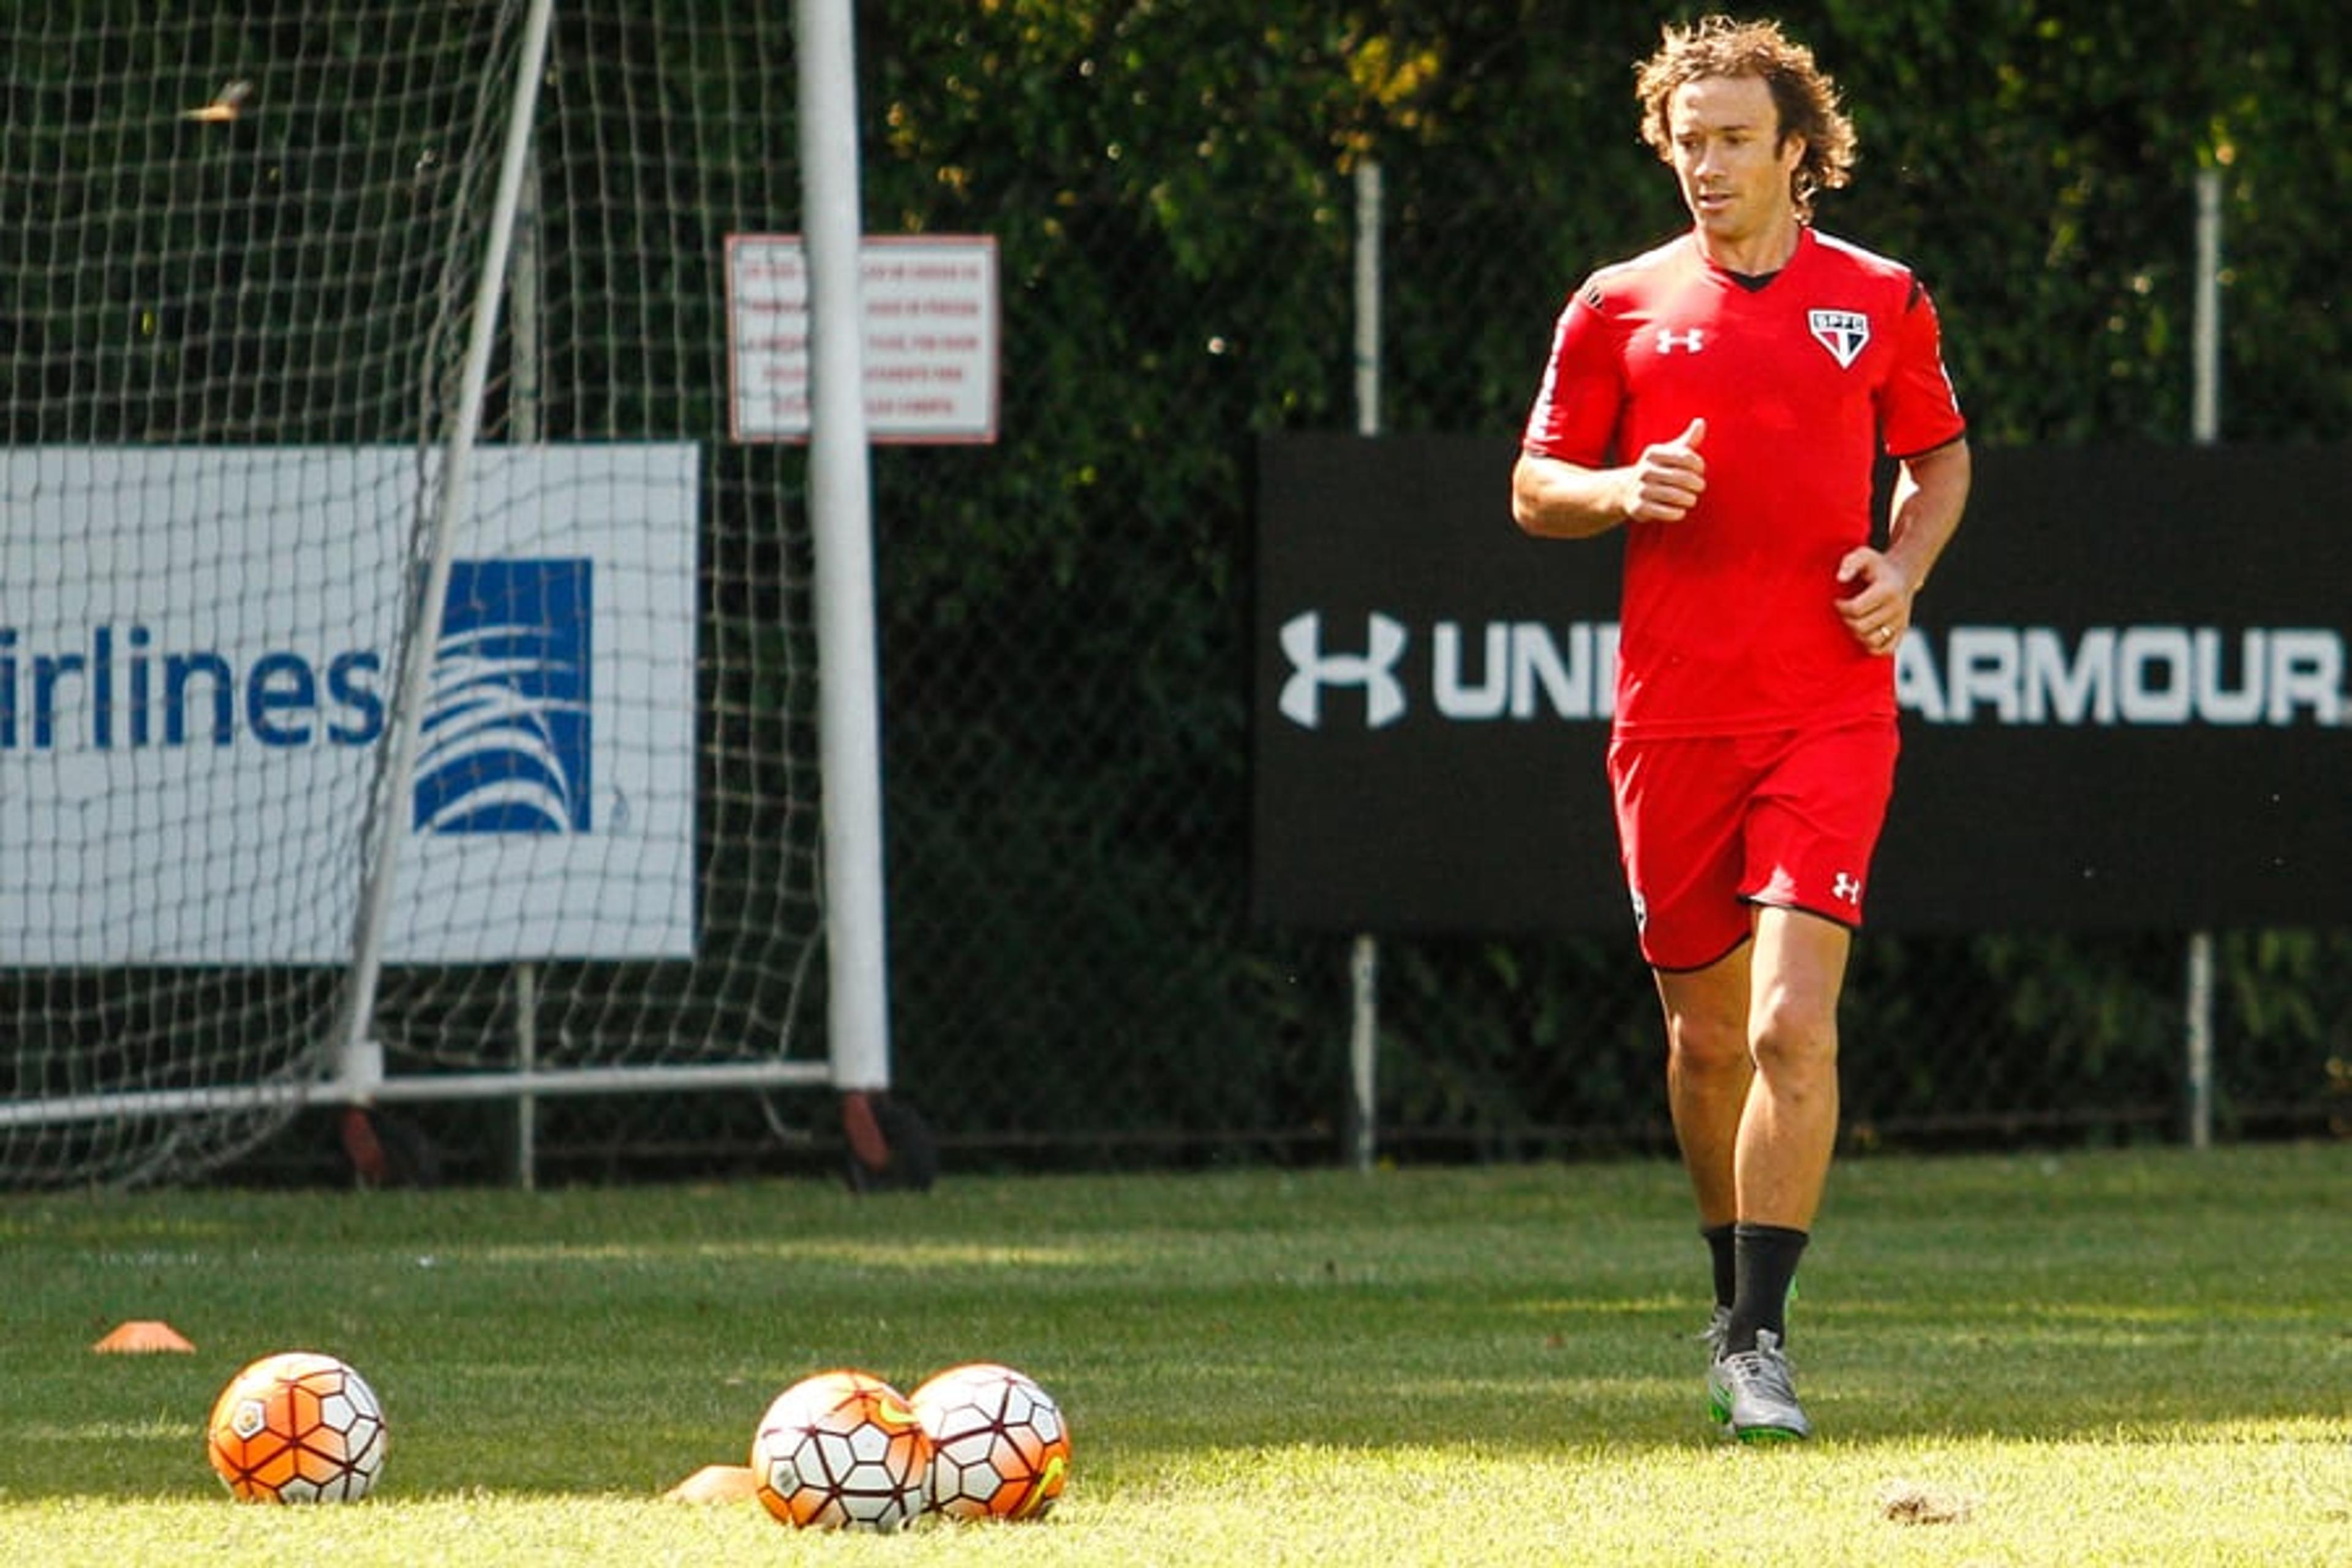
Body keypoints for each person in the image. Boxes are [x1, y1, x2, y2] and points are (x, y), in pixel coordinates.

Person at [1510, 15, 1970, 1442]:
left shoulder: (1881, 298)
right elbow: (1536, 484)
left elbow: (1940, 459)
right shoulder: (1615, 305)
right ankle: (1730, 1296)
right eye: (1684, 141)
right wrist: (1619, 488)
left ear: (1795, 152)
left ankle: (1762, 1344)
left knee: (1788, 1023)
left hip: (1829, 708)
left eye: (1730, 141)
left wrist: (1899, 568)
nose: (1703, 166)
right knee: (1708, 1042)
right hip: (1671, 720)